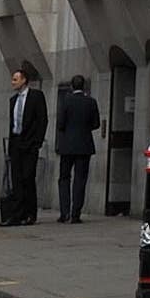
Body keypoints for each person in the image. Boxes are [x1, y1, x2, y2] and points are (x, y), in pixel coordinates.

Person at [1, 66, 48, 227]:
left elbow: (42, 120)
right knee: (16, 179)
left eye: (15, 79)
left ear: (24, 80)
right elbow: (12, 123)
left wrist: (37, 142)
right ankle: (16, 214)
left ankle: (30, 213)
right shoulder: (13, 100)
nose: (13, 82)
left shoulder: (36, 96)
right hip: (16, 143)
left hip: (30, 144)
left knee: (28, 178)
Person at [54, 74, 100, 222]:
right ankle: (76, 214)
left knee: (64, 178)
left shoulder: (66, 102)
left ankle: (64, 212)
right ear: (84, 86)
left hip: (67, 145)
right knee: (80, 180)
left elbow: (60, 124)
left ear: (72, 87)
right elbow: (96, 124)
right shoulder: (91, 102)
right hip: (84, 145)